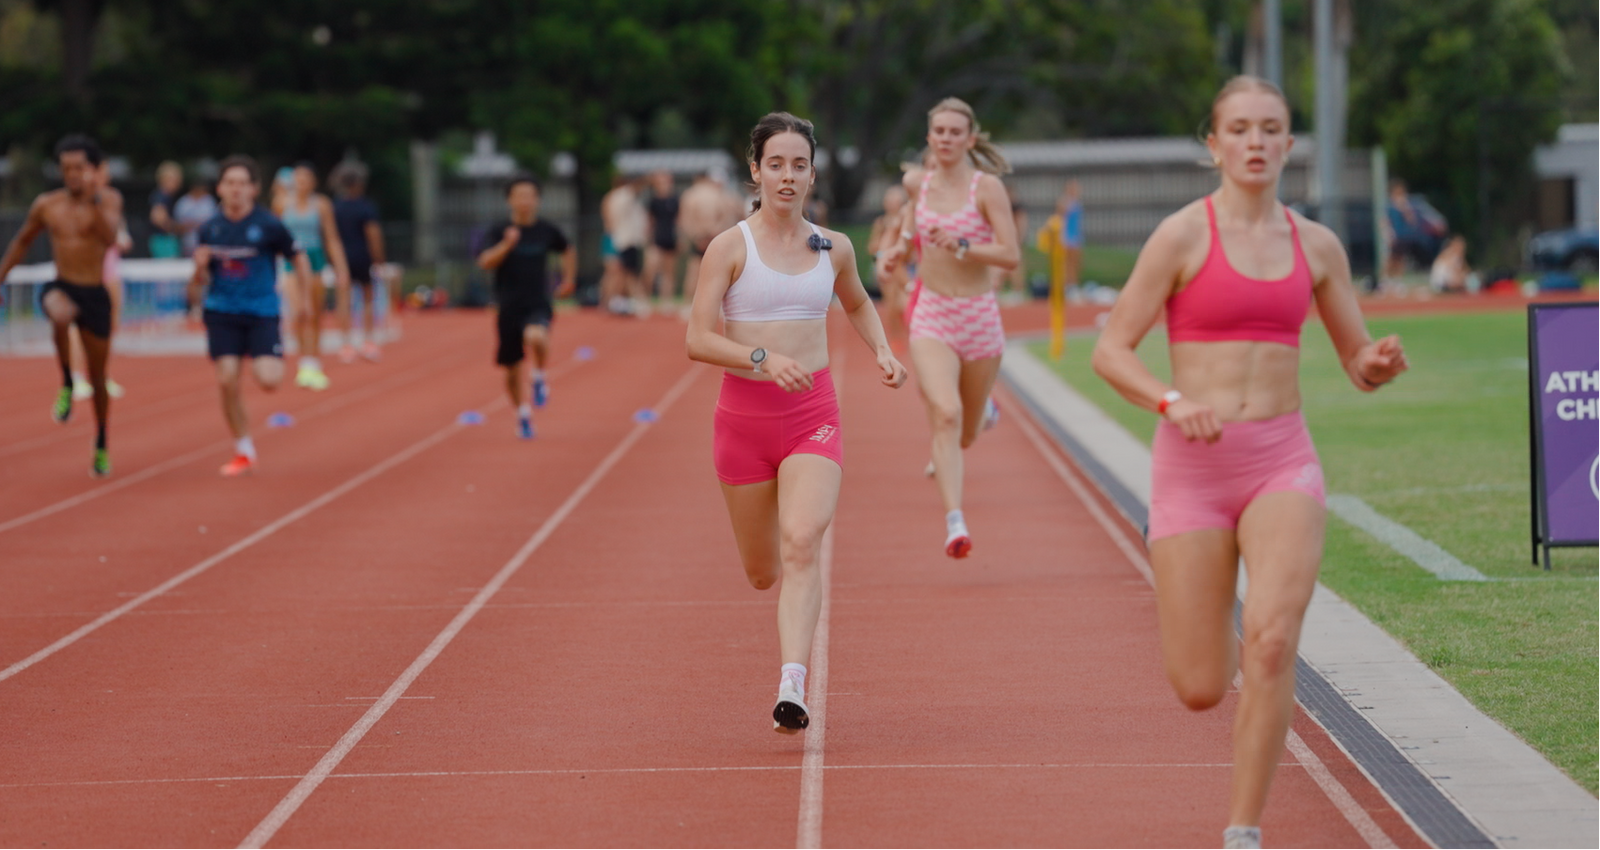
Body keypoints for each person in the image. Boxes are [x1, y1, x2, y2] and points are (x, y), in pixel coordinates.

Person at [1090, 76, 1408, 850]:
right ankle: (1172, 558)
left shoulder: (1318, 246)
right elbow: (1111, 350)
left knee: (1269, 641)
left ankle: (1243, 830)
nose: (1256, 142)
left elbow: (1354, 362)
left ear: (1289, 145)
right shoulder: (1180, 237)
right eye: (1239, 129)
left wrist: (1377, 362)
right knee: (1200, 686)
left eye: (1271, 129)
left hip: (1280, 462)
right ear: (1215, 144)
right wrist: (1170, 401)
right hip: (1192, 470)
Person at [687, 112, 907, 734]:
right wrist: (759, 356)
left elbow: (859, 301)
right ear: (756, 170)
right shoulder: (730, 247)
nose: (788, 176)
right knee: (763, 571)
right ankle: (783, 594)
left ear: (812, 174)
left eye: (800, 165)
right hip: (743, 421)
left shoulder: (833, 247)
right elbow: (697, 339)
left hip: (813, 415)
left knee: (804, 539)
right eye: (776, 164)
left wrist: (884, 351)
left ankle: (792, 681)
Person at [878, 98, 1020, 558]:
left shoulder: (987, 189)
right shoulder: (917, 183)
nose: (945, 138)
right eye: (938, 130)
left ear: (970, 139)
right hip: (933, 314)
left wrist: (963, 244)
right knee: (945, 413)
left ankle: (985, 418)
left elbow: (1010, 254)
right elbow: (906, 223)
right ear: (929, 136)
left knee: (965, 434)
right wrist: (895, 250)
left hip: (978, 316)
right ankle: (955, 522)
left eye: (955, 132)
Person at [0, 135, 123, 477]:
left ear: (94, 170)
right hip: (63, 286)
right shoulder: (47, 205)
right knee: (58, 310)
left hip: (94, 293)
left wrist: (94, 198)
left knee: (99, 379)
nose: (72, 174)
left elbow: (110, 237)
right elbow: (22, 241)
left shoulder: (109, 199)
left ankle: (100, 440)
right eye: (66, 168)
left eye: (79, 168)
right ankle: (68, 381)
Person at [188, 156, 313, 477]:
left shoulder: (269, 224)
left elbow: (298, 258)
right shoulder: (210, 229)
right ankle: (243, 448)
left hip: (262, 312)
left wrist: (305, 299)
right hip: (222, 312)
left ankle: (267, 354)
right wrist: (200, 267)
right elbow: (196, 285)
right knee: (227, 379)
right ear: (220, 188)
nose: (236, 190)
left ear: (254, 189)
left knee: (269, 380)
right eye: (230, 183)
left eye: (242, 184)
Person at [475, 173, 576, 439]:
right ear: (509, 200)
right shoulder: (499, 230)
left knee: (536, 336)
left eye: (529, 196)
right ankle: (522, 414)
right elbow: (485, 262)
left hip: (537, 302)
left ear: (538, 200)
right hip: (508, 306)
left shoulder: (546, 230)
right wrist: (507, 245)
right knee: (512, 368)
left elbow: (567, 249)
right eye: (519, 196)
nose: (525, 201)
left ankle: (540, 375)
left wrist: (568, 279)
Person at [273, 162, 351, 390]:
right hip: (291, 262)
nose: (301, 183)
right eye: (297, 179)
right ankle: (304, 361)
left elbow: (332, 238)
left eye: (305, 179)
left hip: (315, 260)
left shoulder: (322, 205)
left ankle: (313, 360)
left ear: (313, 182)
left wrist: (341, 268)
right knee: (298, 312)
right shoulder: (281, 204)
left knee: (315, 312)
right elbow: (274, 236)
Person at [331, 162, 387, 361]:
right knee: (368, 300)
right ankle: (369, 341)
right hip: (363, 257)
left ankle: (346, 345)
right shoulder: (366, 207)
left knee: (344, 301)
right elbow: (373, 235)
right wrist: (379, 258)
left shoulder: (335, 207)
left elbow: (331, 235)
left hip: (342, 259)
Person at [679, 168, 741, 318]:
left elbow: (685, 220)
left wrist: (696, 236)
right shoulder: (721, 196)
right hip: (714, 236)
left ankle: (689, 305)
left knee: (694, 271)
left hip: (701, 236)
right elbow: (726, 218)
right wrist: (712, 232)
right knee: (717, 272)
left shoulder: (690, 195)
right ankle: (710, 306)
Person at [868, 184, 911, 346]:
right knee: (892, 303)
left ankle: (906, 334)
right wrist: (883, 252)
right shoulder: (881, 222)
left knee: (905, 302)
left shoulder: (907, 220)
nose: (892, 202)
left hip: (904, 267)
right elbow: (873, 247)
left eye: (895, 199)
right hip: (887, 268)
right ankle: (896, 337)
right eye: (889, 199)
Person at [601, 175, 648, 316]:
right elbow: (610, 220)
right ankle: (609, 301)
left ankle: (610, 301)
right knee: (616, 272)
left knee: (616, 273)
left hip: (615, 237)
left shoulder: (613, 197)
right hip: (616, 238)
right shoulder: (620, 197)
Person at [643, 170, 681, 308]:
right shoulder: (653, 200)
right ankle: (645, 300)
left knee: (669, 272)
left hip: (670, 237)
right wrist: (648, 238)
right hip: (657, 238)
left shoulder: (675, 199)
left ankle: (667, 301)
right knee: (650, 270)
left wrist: (680, 238)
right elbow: (650, 221)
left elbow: (679, 220)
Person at [173, 177, 219, 258]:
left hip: (206, 245)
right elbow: (177, 226)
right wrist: (194, 224)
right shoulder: (183, 202)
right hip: (186, 244)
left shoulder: (208, 201)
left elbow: (215, 223)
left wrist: (196, 224)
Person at [147, 160, 184, 258]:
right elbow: (157, 218)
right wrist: (176, 228)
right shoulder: (162, 196)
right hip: (164, 240)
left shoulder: (162, 195)